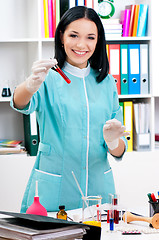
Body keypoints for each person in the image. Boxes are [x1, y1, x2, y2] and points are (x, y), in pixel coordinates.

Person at [10, 6, 129, 213]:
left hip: (98, 191)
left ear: (98, 41)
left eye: (90, 37)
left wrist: (112, 141)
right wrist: (30, 85)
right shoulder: (47, 77)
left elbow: (119, 151)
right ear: (61, 36)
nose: (82, 44)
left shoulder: (107, 82)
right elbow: (20, 103)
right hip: (54, 190)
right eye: (74, 35)